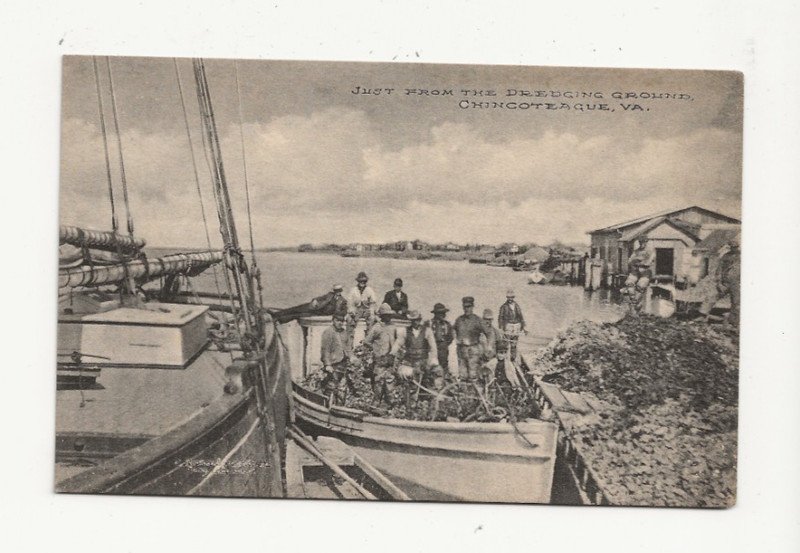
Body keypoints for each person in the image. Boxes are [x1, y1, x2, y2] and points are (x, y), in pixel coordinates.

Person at [393, 309, 443, 393]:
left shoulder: (427, 331)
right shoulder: (405, 331)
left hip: (423, 361)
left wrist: (433, 359)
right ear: (411, 320)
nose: (416, 322)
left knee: (436, 373)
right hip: (410, 362)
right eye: (413, 320)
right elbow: (398, 344)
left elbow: (433, 347)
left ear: (420, 319)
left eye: (417, 320)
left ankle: (434, 393)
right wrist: (392, 353)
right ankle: (410, 394)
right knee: (407, 376)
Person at [362, 303, 399, 404]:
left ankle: (390, 405)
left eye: (389, 315)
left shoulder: (393, 327)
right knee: (378, 383)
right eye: (386, 315)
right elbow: (367, 341)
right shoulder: (377, 327)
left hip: (390, 359)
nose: (389, 317)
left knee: (390, 383)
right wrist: (376, 350)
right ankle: (376, 404)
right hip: (380, 360)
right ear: (382, 316)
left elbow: (397, 341)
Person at [271, 283, 347, 324]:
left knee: (298, 315)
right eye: (336, 290)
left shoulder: (342, 301)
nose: (338, 292)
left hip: (320, 313)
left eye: (339, 290)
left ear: (341, 291)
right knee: (297, 309)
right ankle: (276, 314)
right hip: (315, 307)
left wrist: (336, 313)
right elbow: (319, 298)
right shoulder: (329, 295)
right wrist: (315, 301)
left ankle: (279, 319)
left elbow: (344, 311)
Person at [319, 313, 353, 404]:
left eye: (342, 321)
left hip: (343, 364)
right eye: (338, 320)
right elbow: (325, 350)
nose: (340, 323)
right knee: (331, 387)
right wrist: (327, 364)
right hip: (333, 365)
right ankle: (327, 406)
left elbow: (348, 347)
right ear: (333, 320)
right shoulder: (328, 332)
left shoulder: (344, 332)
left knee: (342, 389)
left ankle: (339, 407)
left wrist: (352, 357)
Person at [454, 296, 489, 381]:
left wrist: (488, 347)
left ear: (472, 307)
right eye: (465, 307)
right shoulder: (459, 320)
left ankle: (474, 388)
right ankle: (464, 389)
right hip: (461, 350)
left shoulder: (477, 320)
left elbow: (488, 332)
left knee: (473, 374)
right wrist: (456, 339)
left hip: (473, 350)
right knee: (462, 375)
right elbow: (453, 331)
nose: (467, 309)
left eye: (469, 307)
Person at [346, 271, 378, 346]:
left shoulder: (369, 290)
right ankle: (349, 344)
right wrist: (352, 311)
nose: (362, 283)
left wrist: (371, 312)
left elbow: (373, 303)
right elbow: (350, 302)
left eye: (364, 281)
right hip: (356, 310)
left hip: (366, 310)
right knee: (350, 320)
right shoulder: (353, 290)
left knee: (372, 320)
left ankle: (368, 343)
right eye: (361, 281)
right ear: (358, 281)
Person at [498, 290, 527, 360]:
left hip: (516, 326)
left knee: (514, 344)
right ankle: (503, 360)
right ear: (507, 297)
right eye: (508, 297)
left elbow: (520, 316)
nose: (510, 299)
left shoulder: (516, 306)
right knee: (505, 343)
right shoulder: (504, 306)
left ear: (513, 297)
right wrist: (501, 328)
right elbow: (500, 318)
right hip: (508, 326)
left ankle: (513, 359)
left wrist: (524, 327)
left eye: (511, 297)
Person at [429, 302, 454, 371]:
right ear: (435, 314)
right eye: (441, 313)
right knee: (432, 366)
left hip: (443, 348)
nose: (443, 315)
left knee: (443, 366)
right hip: (432, 348)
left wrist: (444, 344)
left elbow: (450, 337)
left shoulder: (447, 324)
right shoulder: (429, 323)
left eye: (444, 313)